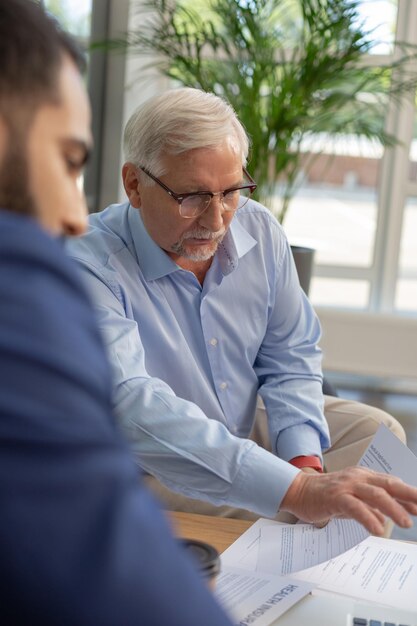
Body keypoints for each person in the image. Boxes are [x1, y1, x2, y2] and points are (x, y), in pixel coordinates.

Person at [68, 87, 417, 537]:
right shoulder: (87, 266)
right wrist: (295, 491)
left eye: (231, 191)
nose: (216, 221)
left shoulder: (259, 229)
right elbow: (133, 408)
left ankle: (319, 565)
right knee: (285, 507)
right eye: (192, 196)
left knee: (380, 435)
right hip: (151, 462)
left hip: (241, 420)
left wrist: (304, 464)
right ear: (134, 184)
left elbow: (290, 354)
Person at [0, 3, 236, 625]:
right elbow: (119, 576)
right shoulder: (25, 281)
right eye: (68, 161)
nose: (73, 213)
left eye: (229, 193)